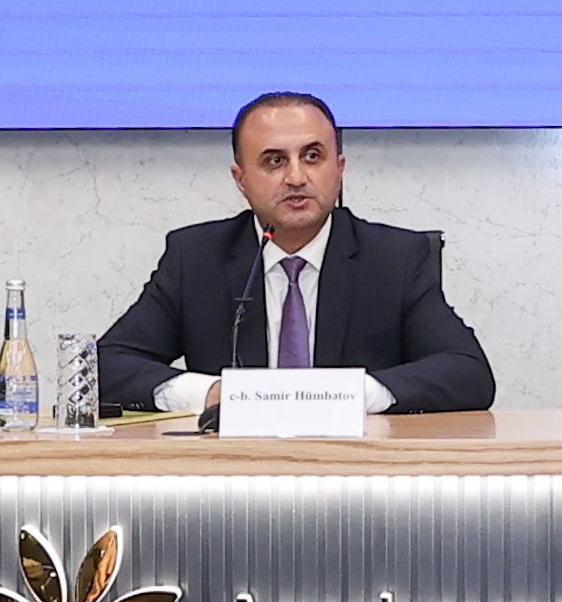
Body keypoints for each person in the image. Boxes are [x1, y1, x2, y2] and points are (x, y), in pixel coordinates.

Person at [99, 92, 496, 416]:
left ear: (339, 169)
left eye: (312, 157)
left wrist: (351, 395)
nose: (296, 177)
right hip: (231, 474)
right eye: (274, 161)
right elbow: (106, 365)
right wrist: (213, 393)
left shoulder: (394, 259)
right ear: (240, 179)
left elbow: (468, 373)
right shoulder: (197, 258)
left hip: (359, 472)